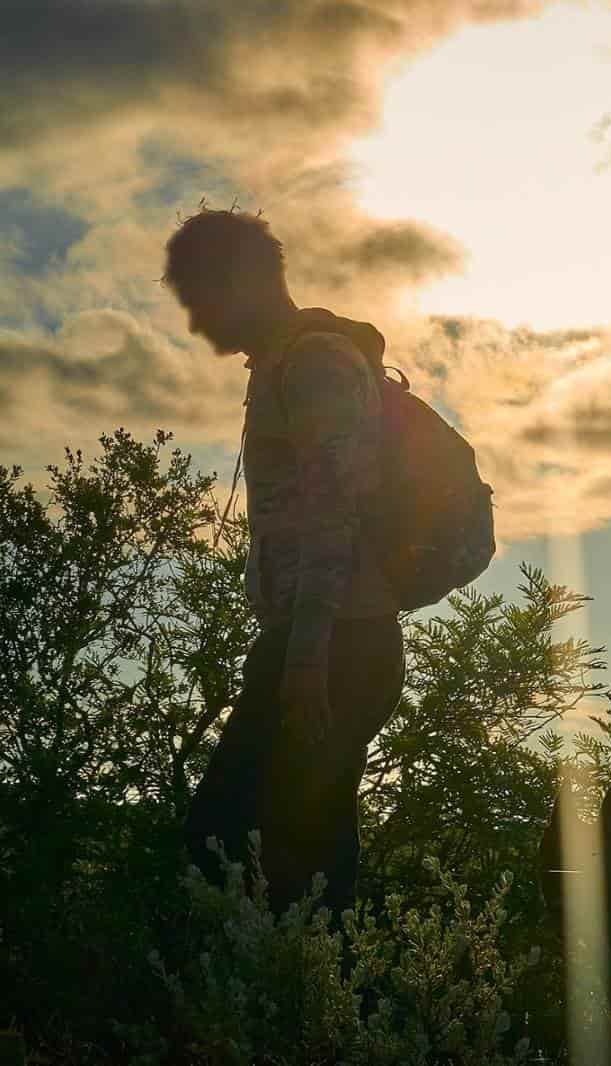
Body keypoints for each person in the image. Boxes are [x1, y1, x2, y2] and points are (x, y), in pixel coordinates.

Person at [165, 208, 404, 918]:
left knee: (228, 845)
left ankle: (314, 1017)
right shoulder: (285, 364)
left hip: (335, 642)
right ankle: (329, 1017)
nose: (195, 323)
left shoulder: (314, 363)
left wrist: (304, 659)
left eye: (199, 299)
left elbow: (333, 517)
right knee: (302, 857)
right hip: (327, 638)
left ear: (241, 280)